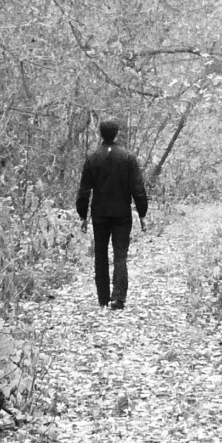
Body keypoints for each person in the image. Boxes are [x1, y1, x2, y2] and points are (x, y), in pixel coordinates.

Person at [76, 119, 148, 310]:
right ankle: (118, 297)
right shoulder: (127, 157)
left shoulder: (92, 158)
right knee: (120, 254)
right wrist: (142, 213)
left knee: (100, 254)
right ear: (116, 134)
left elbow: (84, 190)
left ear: (100, 133)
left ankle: (103, 298)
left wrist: (83, 215)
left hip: (100, 213)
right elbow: (138, 188)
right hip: (122, 214)